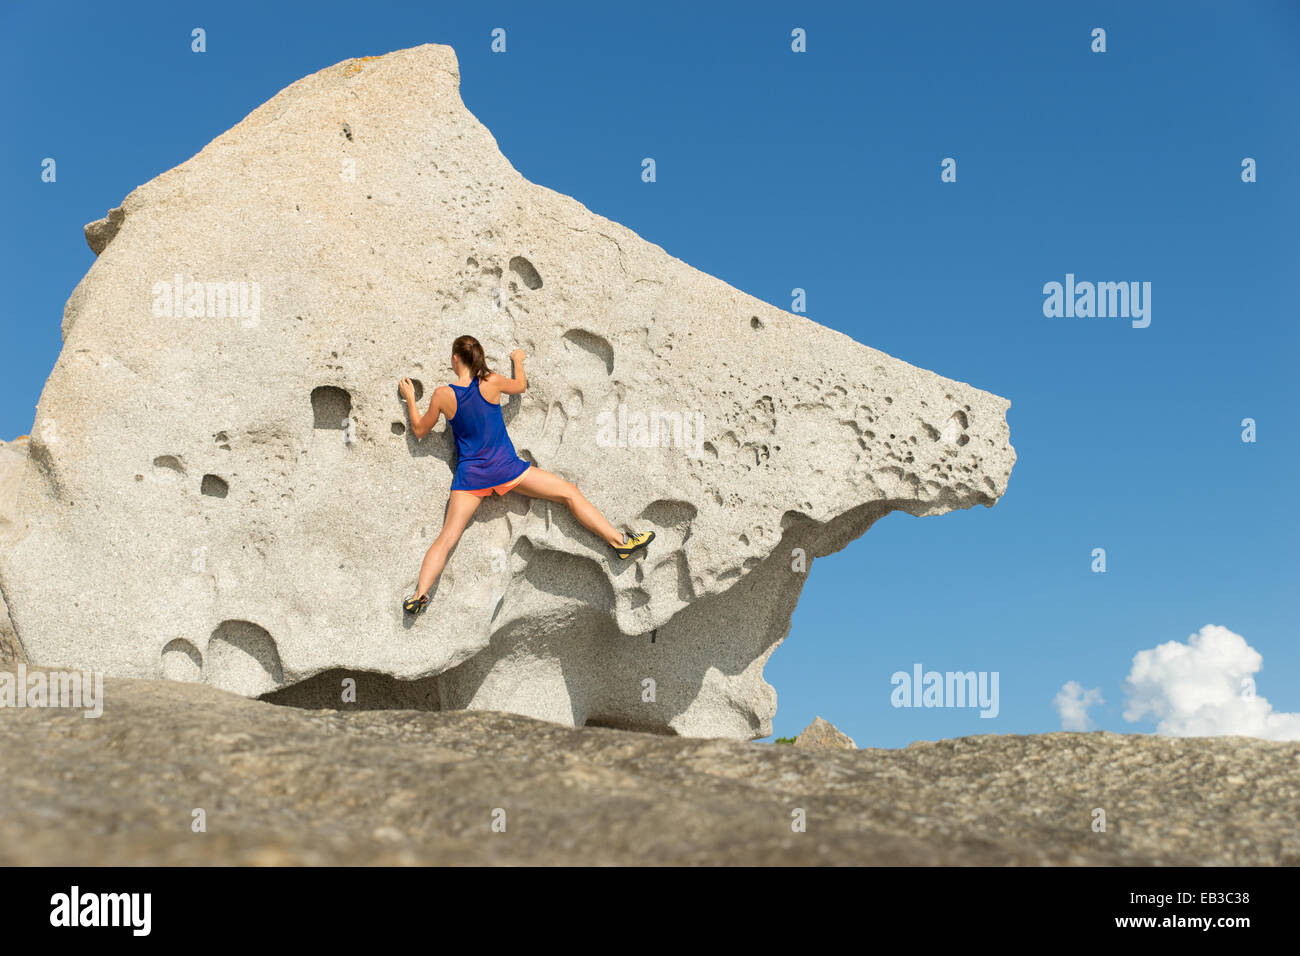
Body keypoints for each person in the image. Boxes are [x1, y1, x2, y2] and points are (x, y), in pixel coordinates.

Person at [398, 335, 654, 615]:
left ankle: (420, 595)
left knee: (447, 537)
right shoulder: (492, 382)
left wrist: (410, 399)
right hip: (507, 470)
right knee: (569, 493)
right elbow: (520, 386)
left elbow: (421, 431)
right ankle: (620, 543)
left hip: (472, 478)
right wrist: (518, 361)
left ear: (455, 359)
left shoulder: (442, 395)